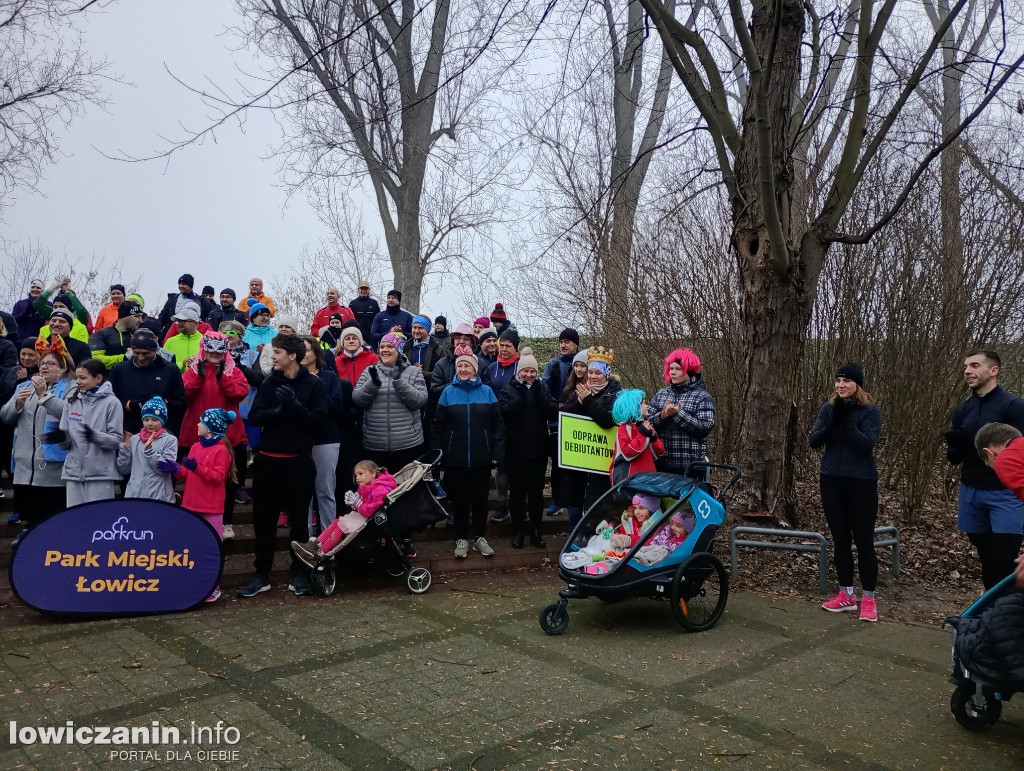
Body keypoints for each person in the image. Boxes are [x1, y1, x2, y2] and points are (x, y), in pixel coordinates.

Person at [240, 334, 328, 598]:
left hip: (298, 463)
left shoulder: (315, 385)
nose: (272, 356)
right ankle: (261, 574)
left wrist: (296, 406)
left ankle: (299, 573)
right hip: (268, 462)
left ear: (292, 356)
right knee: (263, 521)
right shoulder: (269, 383)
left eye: (276, 352)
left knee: (300, 523)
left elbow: (320, 424)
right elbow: (254, 416)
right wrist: (277, 411)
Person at [808, 363, 883, 621]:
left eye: (847, 381)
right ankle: (846, 595)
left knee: (863, 541)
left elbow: (866, 445)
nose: (841, 385)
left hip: (861, 482)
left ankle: (869, 600)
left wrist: (847, 423)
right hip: (831, 480)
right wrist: (832, 422)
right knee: (840, 540)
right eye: (838, 380)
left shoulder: (870, 411)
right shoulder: (829, 409)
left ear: (857, 385)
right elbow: (813, 441)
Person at [946, 350, 1024, 590]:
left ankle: (1008, 612)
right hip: (971, 489)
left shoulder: (1013, 407)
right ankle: (991, 610)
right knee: (985, 554)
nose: (968, 371)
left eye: (975, 365)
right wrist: (956, 445)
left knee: (1004, 557)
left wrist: (972, 442)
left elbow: (1019, 452)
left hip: (1004, 492)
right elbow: (954, 459)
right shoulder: (962, 410)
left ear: (994, 370)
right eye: (966, 366)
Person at [159, 407, 237, 603]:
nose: (197, 424)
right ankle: (194, 584)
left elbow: (218, 477)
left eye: (201, 422)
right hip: (190, 505)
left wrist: (197, 467)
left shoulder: (221, 450)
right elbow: (187, 474)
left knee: (211, 549)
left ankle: (213, 587)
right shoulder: (195, 447)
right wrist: (175, 468)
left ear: (211, 428)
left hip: (211, 509)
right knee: (191, 548)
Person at [1, 338, 75, 541]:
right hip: (25, 469)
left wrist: (44, 395)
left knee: (54, 523)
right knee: (31, 524)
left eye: (50, 363)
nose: (44, 367)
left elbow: (70, 415)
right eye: (42, 363)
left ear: (62, 368)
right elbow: (5, 416)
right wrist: (17, 403)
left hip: (54, 471)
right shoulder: (24, 387)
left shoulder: (71, 387)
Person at [433, 347, 504, 558]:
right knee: (460, 500)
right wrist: (439, 453)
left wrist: (496, 452)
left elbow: (498, 425)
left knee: (480, 499)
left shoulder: (487, 392)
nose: (463, 369)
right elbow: (438, 426)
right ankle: (462, 538)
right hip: (455, 457)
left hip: (482, 456)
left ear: (475, 369)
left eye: (467, 366)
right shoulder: (448, 392)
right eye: (460, 366)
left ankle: (480, 537)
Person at [499, 347, 555, 549]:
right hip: (516, 451)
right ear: (519, 371)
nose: (529, 374)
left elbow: (552, 411)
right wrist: (521, 397)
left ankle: (536, 531)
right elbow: (505, 413)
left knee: (536, 495)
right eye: (525, 371)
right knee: (517, 494)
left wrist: (539, 397)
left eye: (532, 371)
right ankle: (518, 532)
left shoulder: (542, 388)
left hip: (538, 450)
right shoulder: (509, 388)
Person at [291, 460, 397, 567]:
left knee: (341, 526)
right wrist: (354, 503)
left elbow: (374, 510)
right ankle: (313, 546)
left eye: (361, 474)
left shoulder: (381, 488)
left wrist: (359, 504)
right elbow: (364, 506)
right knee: (337, 522)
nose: (357, 478)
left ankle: (319, 554)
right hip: (365, 517)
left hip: (373, 522)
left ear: (373, 473)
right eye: (356, 475)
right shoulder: (367, 486)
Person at [560, 347, 621, 528]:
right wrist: (579, 401)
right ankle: (575, 537)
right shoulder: (581, 390)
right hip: (579, 458)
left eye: (597, 373)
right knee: (575, 501)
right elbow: (563, 414)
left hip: (602, 462)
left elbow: (607, 420)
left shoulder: (615, 394)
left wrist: (587, 401)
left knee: (598, 502)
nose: (593, 377)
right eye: (591, 372)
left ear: (606, 375)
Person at [49, 359, 123, 506]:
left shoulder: (112, 403)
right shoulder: (72, 400)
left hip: (100, 474)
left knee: (99, 520)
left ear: (99, 378)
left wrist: (94, 436)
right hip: (73, 473)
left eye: (83, 378)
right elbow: (66, 442)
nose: (78, 382)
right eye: (77, 377)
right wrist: (62, 438)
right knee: (75, 520)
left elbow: (116, 441)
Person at [352, 331, 428, 472]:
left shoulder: (413, 372)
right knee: (378, 491)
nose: (385, 350)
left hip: (408, 445)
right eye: (382, 347)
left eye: (390, 347)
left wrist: (399, 382)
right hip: (374, 445)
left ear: (399, 350)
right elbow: (357, 400)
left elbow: (420, 400)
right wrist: (372, 384)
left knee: (405, 491)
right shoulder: (370, 371)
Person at [181, 331, 250, 467]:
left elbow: (240, 394)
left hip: (229, 436)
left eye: (220, 349)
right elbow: (183, 396)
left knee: (230, 480)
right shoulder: (193, 372)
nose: (215, 353)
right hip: (197, 434)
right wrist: (198, 379)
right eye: (210, 348)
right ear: (203, 349)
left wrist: (222, 379)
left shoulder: (234, 372)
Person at [647, 348, 715, 478]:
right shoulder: (661, 394)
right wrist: (663, 416)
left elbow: (705, 427)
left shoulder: (702, 396)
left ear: (689, 370)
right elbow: (647, 424)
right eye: (671, 369)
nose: (672, 372)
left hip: (690, 468)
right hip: (661, 465)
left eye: (677, 369)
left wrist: (678, 414)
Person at [300, 336, 343, 534]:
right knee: (303, 493)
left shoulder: (329, 377)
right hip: (300, 441)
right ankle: (305, 537)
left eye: (307, 350)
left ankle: (328, 538)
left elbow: (336, 407)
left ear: (316, 353)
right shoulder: (293, 378)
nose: (303, 354)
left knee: (325, 491)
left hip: (326, 440)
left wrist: (316, 388)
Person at [108, 331, 187, 436]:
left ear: (155, 351)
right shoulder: (119, 369)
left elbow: (181, 404)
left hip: (160, 434)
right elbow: (109, 403)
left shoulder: (170, 369)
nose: (141, 357)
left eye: (146, 353)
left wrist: (164, 403)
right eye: (136, 353)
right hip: (128, 432)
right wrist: (129, 405)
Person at [543, 328, 581, 515]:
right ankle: (557, 501)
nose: (563, 345)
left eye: (567, 341)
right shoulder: (553, 364)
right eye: (561, 341)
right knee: (557, 465)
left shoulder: (581, 364)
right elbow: (545, 391)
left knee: (574, 466)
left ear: (576, 344)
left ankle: (574, 502)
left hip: (577, 421)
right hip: (555, 422)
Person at [116, 396, 178, 503]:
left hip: (159, 498)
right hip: (135, 496)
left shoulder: (170, 440)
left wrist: (150, 452)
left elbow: (165, 469)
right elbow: (123, 469)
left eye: (154, 420)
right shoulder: (135, 439)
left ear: (163, 420)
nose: (149, 423)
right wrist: (124, 448)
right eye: (146, 419)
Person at [611, 389, 665, 485]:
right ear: (634, 406)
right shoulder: (624, 428)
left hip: (649, 479)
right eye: (644, 403)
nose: (647, 406)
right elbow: (628, 453)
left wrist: (653, 438)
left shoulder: (646, 425)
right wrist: (643, 434)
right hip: (629, 481)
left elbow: (660, 451)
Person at [88, 300, 143, 367]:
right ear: (125, 317)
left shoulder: (138, 335)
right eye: (137, 316)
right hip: (108, 376)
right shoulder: (103, 334)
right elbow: (94, 359)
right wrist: (124, 358)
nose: (141, 320)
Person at [164, 304, 204, 373]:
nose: (179, 323)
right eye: (178, 320)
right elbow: (163, 366)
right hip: (176, 383)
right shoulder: (170, 342)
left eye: (183, 321)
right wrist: (182, 364)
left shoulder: (205, 341)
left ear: (195, 323)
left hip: (198, 383)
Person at [12, 279, 47, 344]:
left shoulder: (48, 304)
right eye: (33, 287)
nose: (35, 289)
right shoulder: (20, 303)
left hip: (41, 341)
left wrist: (35, 314)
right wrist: (26, 313)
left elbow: (47, 322)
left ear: (42, 290)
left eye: (38, 288)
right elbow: (14, 321)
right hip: (21, 340)